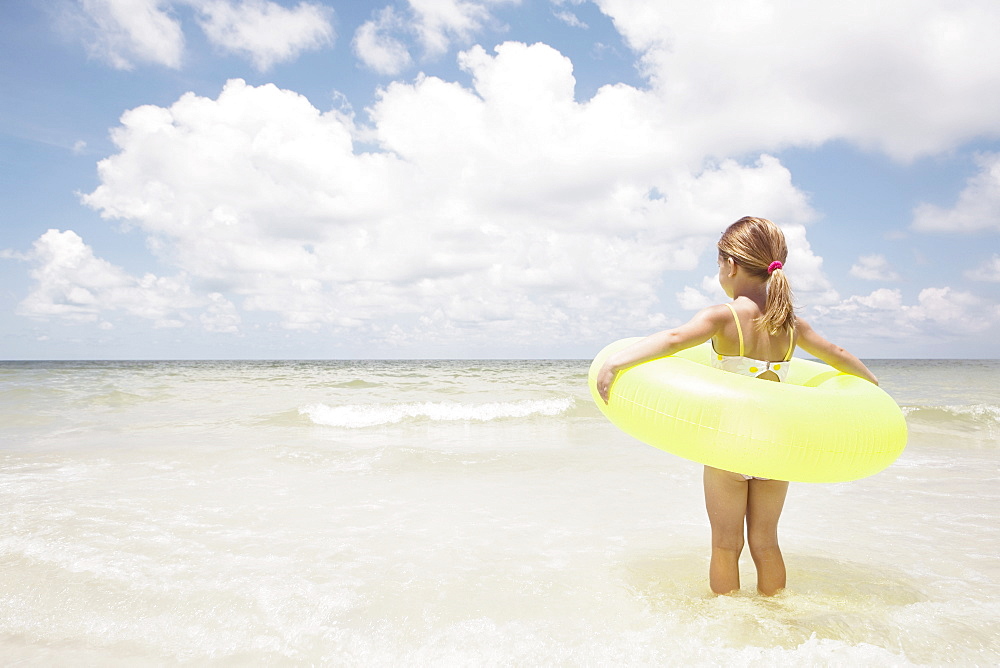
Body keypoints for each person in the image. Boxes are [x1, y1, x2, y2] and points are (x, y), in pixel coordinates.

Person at [596, 216, 878, 596]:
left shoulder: (722, 317)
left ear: (730, 265)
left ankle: (729, 626)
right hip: (776, 450)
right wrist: (873, 389)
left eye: (718, 265)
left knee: (726, 545)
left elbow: (674, 339)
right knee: (766, 543)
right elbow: (838, 355)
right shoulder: (791, 324)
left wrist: (616, 362)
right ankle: (775, 617)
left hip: (729, 447)